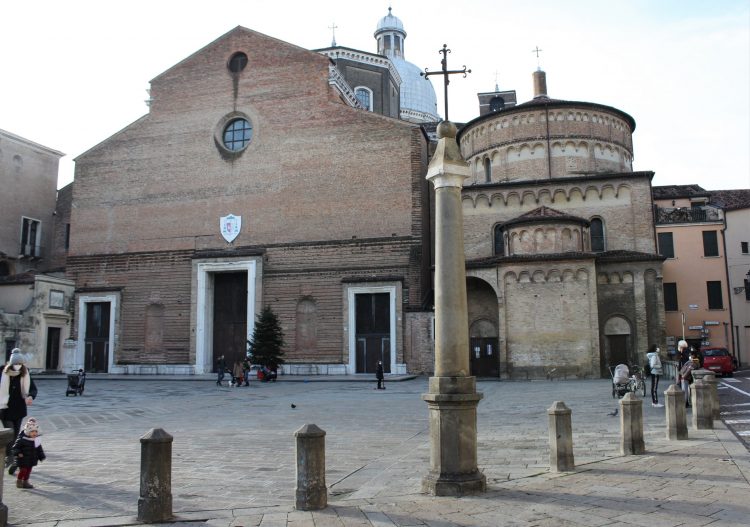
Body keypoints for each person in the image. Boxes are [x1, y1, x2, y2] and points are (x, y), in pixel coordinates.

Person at [0, 348, 37, 474]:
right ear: (11, 363)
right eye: (16, 364)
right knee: (10, 433)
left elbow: (32, 388)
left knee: (16, 435)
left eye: (20, 364)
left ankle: (14, 459)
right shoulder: (3, 372)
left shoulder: (25, 373)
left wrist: (30, 396)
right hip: (5, 408)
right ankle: (10, 457)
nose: (18, 366)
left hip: (19, 408)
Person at [11, 417, 45, 489]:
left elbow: (39, 449)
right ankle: (19, 480)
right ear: (27, 432)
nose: (34, 433)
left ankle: (26, 482)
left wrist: (41, 456)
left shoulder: (37, 440)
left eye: (36, 431)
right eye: (32, 432)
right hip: (22, 459)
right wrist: (18, 453)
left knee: (28, 471)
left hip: (31, 459)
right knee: (23, 470)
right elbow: (15, 448)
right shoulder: (21, 440)